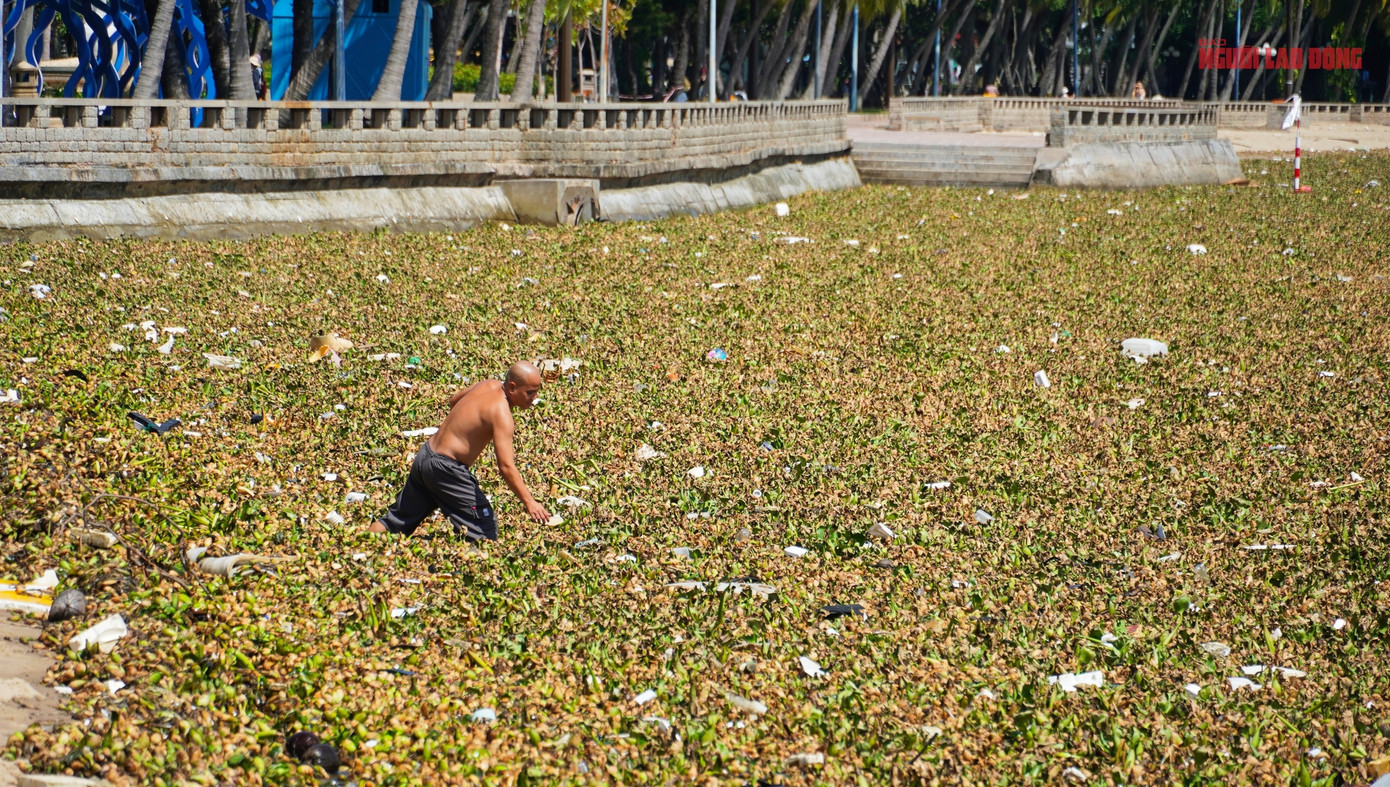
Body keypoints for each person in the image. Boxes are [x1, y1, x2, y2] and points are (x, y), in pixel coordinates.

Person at [368, 362, 552, 541]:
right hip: (445, 468)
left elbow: (454, 401)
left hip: (426, 455)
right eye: (529, 392)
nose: (534, 397)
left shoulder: (488, 384)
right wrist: (530, 502)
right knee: (483, 528)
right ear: (512, 387)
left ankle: (359, 549)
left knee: (396, 521)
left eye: (536, 391)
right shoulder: (502, 414)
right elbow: (506, 466)